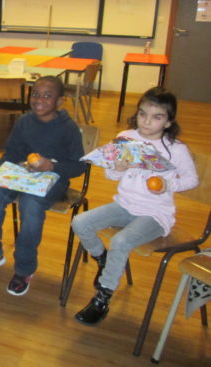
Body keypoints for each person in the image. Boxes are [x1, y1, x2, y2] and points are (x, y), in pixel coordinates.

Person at [71, 87, 198, 325]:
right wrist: (117, 168)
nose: (147, 122)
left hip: (155, 214)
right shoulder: (126, 137)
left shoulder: (176, 149)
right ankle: (103, 259)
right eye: (142, 114)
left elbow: (192, 180)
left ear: (168, 122)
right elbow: (111, 176)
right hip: (124, 205)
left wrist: (167, 184)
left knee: (121, 241)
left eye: (156, 117)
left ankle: (102, 297)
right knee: (80, 222)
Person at [0, 75, 84, 296]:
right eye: (36, 94)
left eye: (47, 96)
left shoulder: (68, 128)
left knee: (30, 205)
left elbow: (78, 166)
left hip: (54, 178)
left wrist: (51, 166)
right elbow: (12, 153)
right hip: (22, 173)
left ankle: (24, 268)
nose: (39, 100)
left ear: (60, 101)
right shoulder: (24, 121)